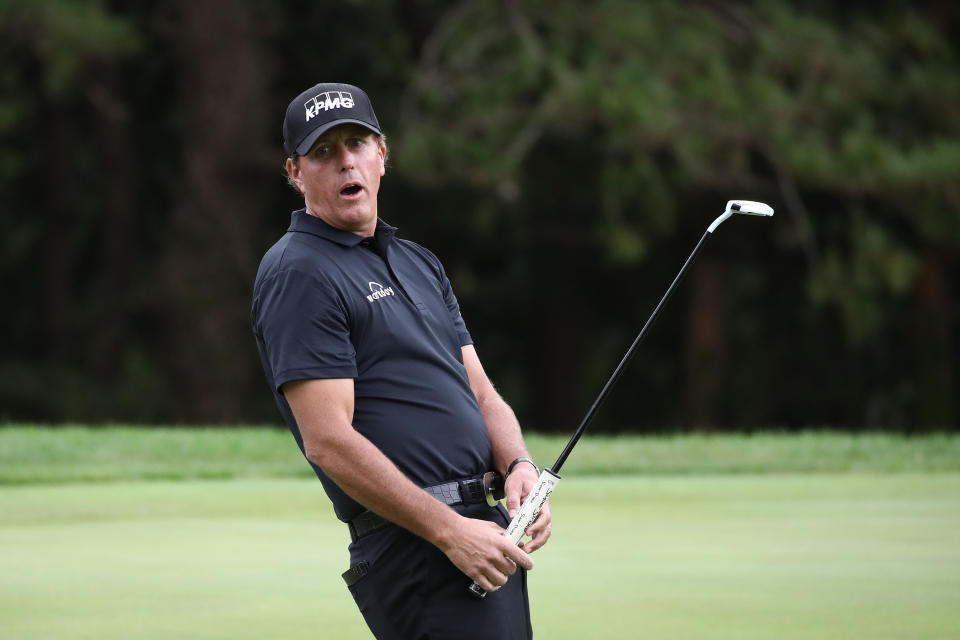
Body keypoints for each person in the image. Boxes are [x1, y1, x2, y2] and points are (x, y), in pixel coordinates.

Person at [251, 82, 551, 640]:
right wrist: (449, 532)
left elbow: (481, 393)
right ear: (295, 173)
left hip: (481, 531)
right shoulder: (299, 272)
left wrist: (519, 469)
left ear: (382, 154)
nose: (346, 161)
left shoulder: (418, 262)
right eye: (323, 152)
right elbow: (328, 439)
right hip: (417, 546)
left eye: (357, 143)